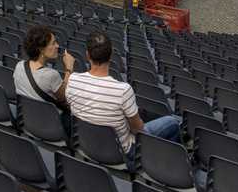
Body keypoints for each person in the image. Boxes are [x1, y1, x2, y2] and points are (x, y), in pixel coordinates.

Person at [64, 30, 180, 167]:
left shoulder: (73, 80)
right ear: (112, 52)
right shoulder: (123, 90)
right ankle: (161, 165)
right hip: (122, 152)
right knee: (172, 123)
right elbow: (138, 130)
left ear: (88, 55)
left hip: (87, 144)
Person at [15, 24, 76, 140]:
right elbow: (63, 97)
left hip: (30, 119)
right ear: (41, 49)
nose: (57, 46)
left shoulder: (19, 66)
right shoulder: (51, 75)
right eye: (53, 43)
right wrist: (69, 69)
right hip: (53, 124)